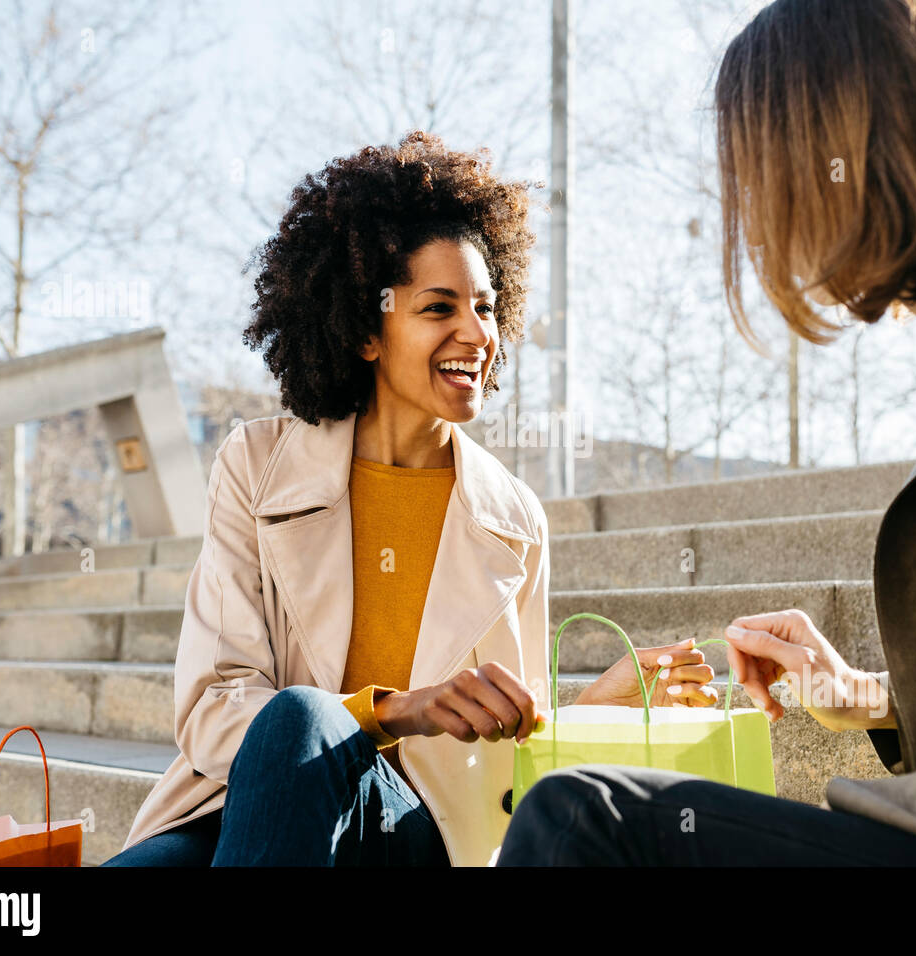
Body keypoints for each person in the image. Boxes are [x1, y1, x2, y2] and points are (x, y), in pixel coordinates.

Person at [499, 0, 916, 866]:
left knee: (584, 820)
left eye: (763, 168)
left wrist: (872, 812)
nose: (757, 215)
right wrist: (863, 695)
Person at [103, 131, 718, 867]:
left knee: (304, 716)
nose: (476, 333)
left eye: (487, 308)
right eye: (439, 307)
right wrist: (393, 710)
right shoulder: (257, 465)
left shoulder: (515, 518)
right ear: (367, 330)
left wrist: (588, 712)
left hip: (408, 839)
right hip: (245, 807)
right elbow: (213, 712)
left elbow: (506, 753)